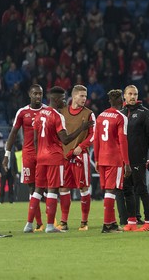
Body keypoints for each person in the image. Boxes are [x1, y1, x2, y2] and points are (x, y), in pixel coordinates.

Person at [23, 86, 92, 233]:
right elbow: (65, 139)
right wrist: (82, 128)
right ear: (55, 99)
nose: (64, 101)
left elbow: (35, 140)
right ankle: (49, 226)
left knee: (37, 191)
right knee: (53, 190)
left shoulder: (40, 114)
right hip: (54, 157)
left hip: (40, 157)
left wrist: (38, 154)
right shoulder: (57, 115)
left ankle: (28, 225)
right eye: (62, 98)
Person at [2, 85, 45, 230]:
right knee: (32, 187)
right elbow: (13, 134)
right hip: (28, 155)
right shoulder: (23, 112)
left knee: (44, 187)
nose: (38, 96)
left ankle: (42, 222)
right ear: (29, 94)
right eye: (35, 94)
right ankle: (38, 223)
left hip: (44, 154)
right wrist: (7, 155)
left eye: (40, 94)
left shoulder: (48, 111)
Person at [119, 85, 149, 231]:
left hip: (138, 158)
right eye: (130, 94)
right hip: (124, 160)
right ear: (124, 95)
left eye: (135, 94)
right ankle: (131, 221)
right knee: (127, 190)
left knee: (141, 189)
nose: (132, 97)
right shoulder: (120, 113)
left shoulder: (144, 112)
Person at [58, 85, 96, 231]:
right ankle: (63, 222)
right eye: (81, 96)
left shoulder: (89, 114)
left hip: (81, 156)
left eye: (85, 96)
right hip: (65, 156)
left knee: (83, 187)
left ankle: (84, 222)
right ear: (74, 96)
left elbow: (94, 134)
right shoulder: (62, 113)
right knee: (64, 188)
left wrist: (82, 146)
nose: (84, 99)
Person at [93, 89, 131, 233]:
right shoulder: (121, 117)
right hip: (114, 158)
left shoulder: (101, 116)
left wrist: (96, 159)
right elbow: (123, 141)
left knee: (109, 191)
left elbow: (96, 139)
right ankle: (106, 225)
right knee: (111, 191)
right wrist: (126, 163)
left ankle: (113, 223)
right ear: (120, 101)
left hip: (102, 158)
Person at [0, 132, 15, 204]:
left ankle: (11, 200)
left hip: (10, 171)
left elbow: (14, 163)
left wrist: (16, 172)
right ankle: (1, 200)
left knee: (11, 186)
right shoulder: (0, 152)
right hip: (3, 172)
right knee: (2, 186)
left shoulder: (12, 153)